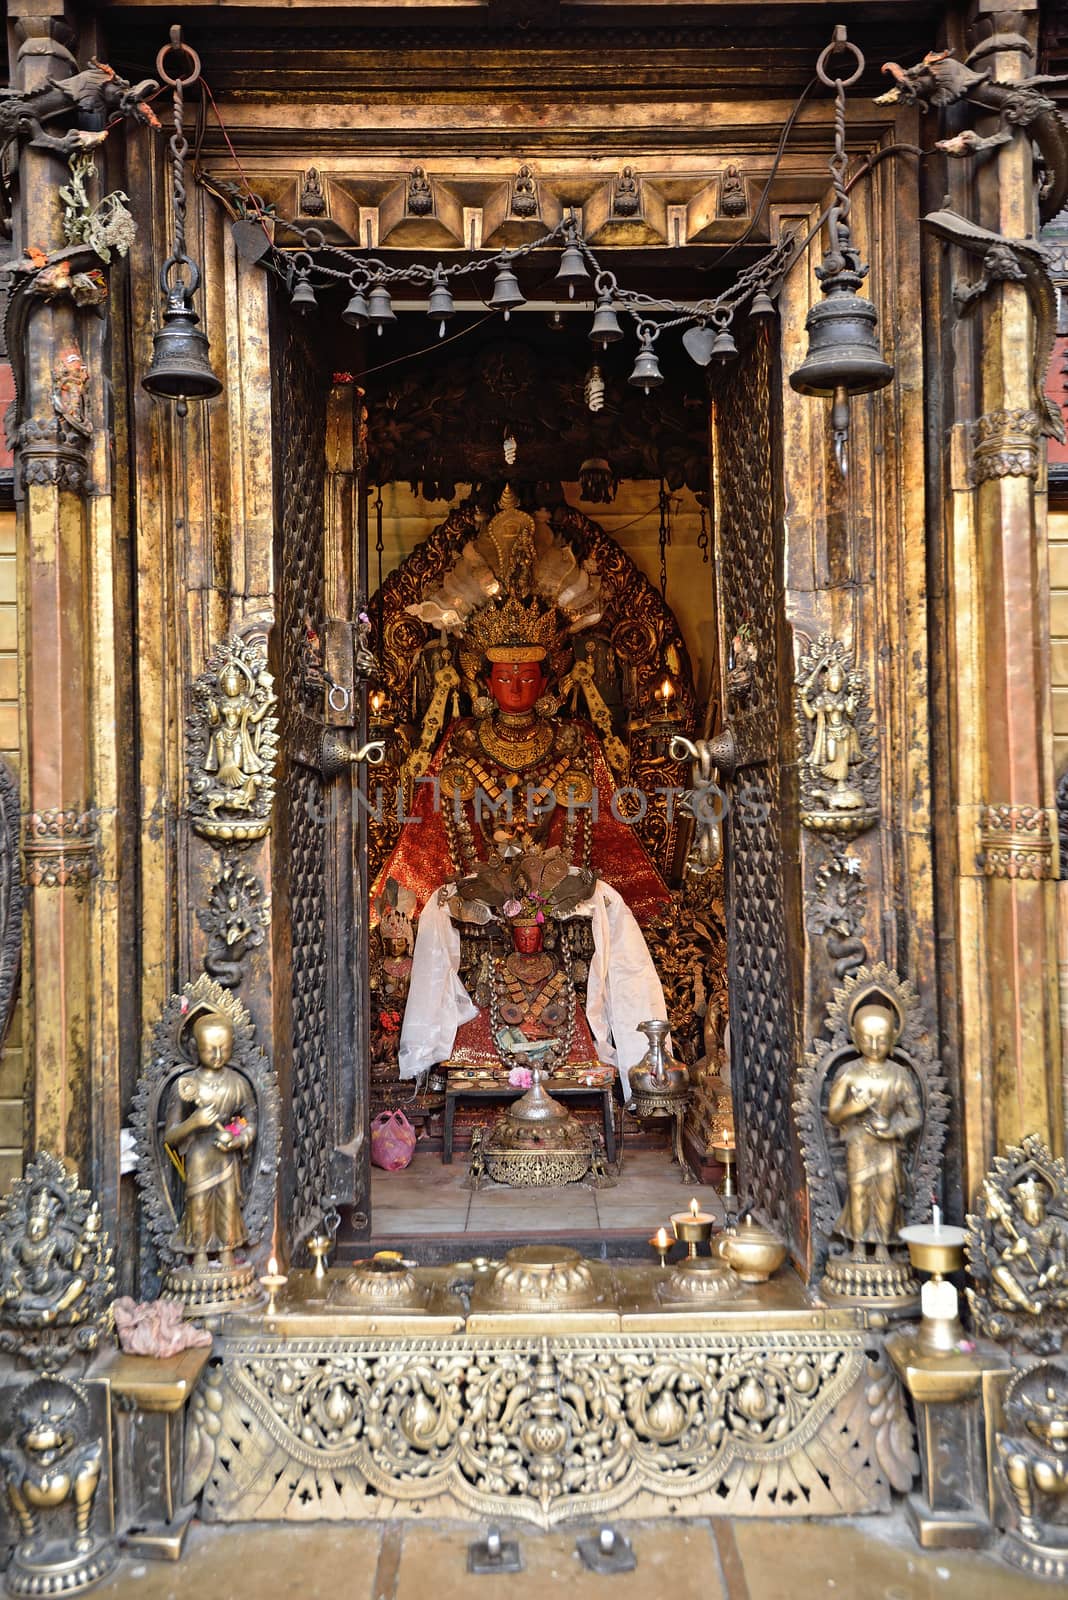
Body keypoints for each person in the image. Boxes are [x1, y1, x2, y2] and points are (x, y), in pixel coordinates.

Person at [827, 998, 923, 1261]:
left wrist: (893, 1129)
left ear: (893, 1037)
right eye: (867, 1038)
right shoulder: (849, 1073)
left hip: (888, 1147)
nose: (874, 1045)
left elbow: (915, 1116)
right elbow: (834, 1115)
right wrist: (853, 1108)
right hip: (858, 1143)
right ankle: (857, 1244)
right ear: (855, 1038)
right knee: (858, 1191)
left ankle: (883, 1244)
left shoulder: (898, 1075)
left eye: (881, 1039)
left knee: (887, 1194)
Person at [165, 1011, 257, 1271]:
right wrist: (195, 1122)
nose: (217, 1056)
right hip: (199, 1156)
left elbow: (252, 1122)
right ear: (195, 1049)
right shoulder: (186, 1085)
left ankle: (228, 1253)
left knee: (228, 1204)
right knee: (199, 1205)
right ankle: (201, 1255)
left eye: (223, 1049)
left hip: (226, 1155)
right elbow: (170, 1135)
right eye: (210, 1050)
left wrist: (238, 1138)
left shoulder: (237, 1084)